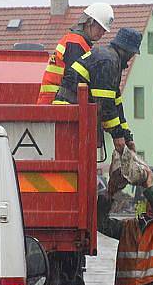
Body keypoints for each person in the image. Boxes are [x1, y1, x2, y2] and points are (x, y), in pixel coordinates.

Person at [54, 28, 146, 190]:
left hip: (74, 112)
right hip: (68, 113)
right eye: (132, 53)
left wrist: (126, 135)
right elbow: (104, 104)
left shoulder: (111, 59)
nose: (132, 58)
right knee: (71, 165)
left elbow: (116, 103)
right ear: (126, 50)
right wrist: (117, 137)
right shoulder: (109, 62)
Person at [36, 3, 114, 104]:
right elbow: (76, 82)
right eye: (100, 28)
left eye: (104, 30)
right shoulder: (75, 43)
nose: (102, 33)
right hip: (55, 105)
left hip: (54, 104)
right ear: (89, 22)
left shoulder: (77, 42)